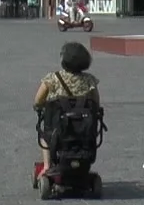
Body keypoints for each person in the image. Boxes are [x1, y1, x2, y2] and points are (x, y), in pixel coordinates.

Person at [32, 41, 101, 187]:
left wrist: (40, 106)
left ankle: (47, 165)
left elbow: (38, 100)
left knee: (44, 136)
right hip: (83, 129)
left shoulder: (53, 78)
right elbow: (95, 102)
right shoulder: (89, 80)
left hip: (59, 127)